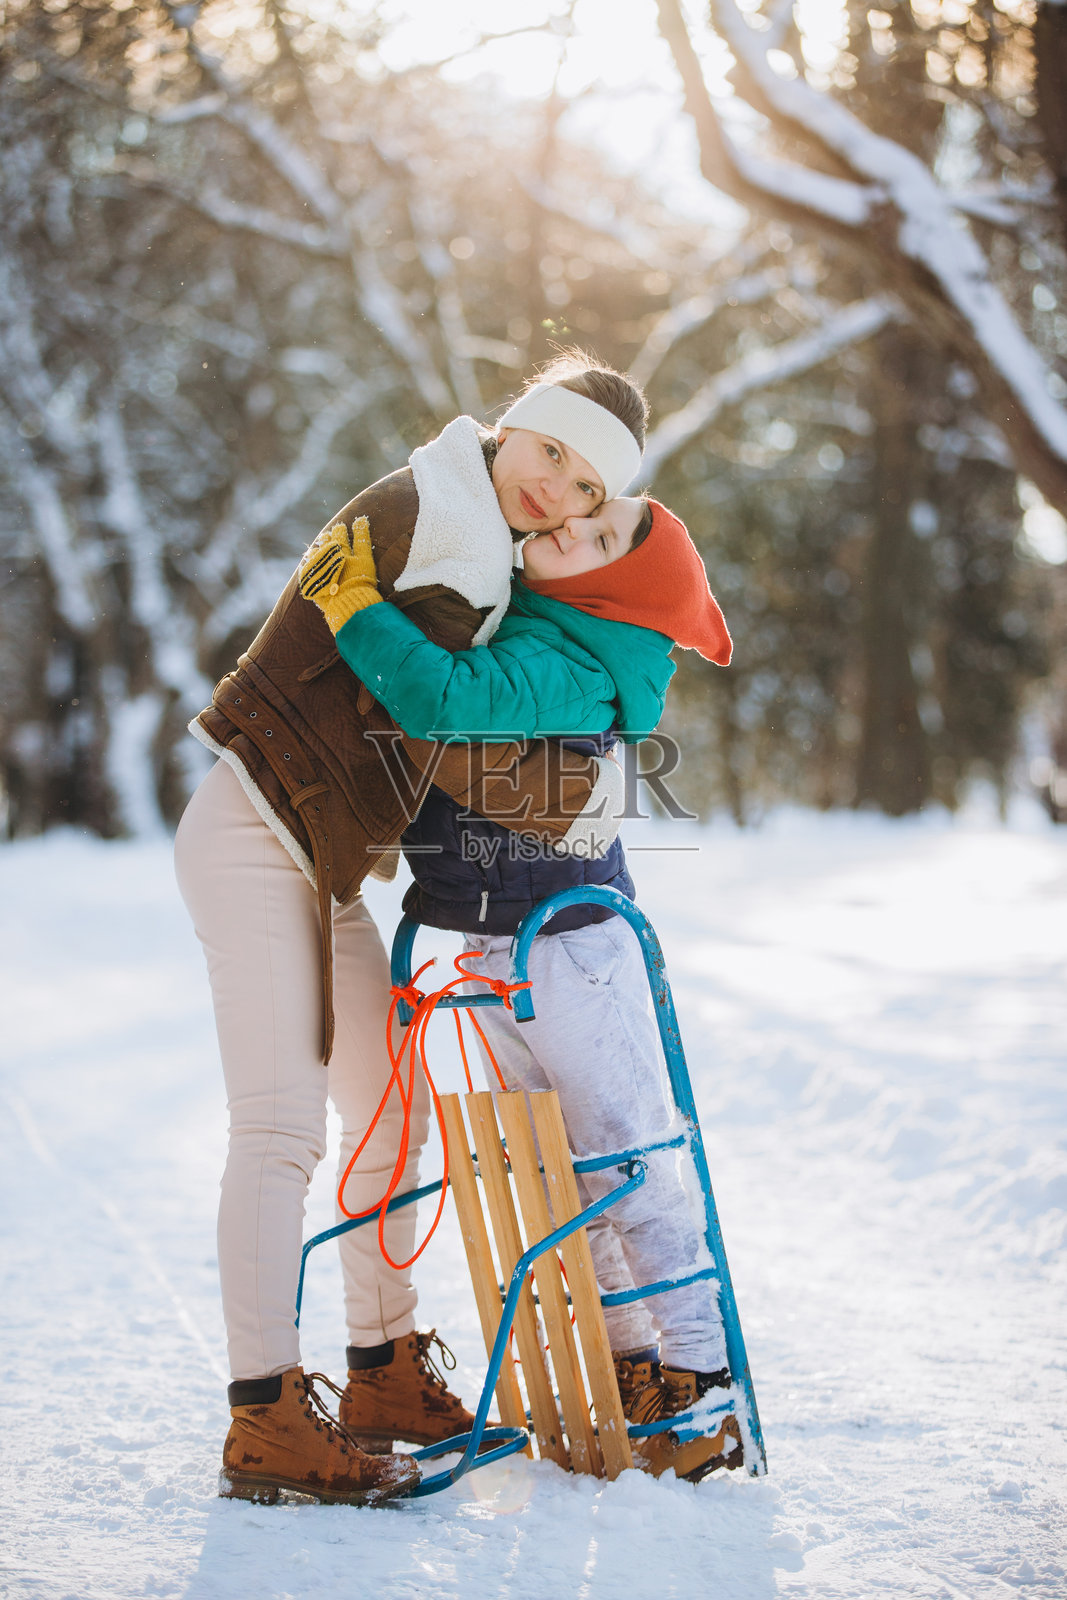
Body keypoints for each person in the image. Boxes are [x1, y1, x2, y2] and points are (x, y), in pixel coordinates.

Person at [173, 352, 649, 1505]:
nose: (557, 492)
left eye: (587, 489)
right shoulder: (439, 521)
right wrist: (577, 799)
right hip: (252, 833)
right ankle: (263, 1418)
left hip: (317, 860)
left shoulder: (478, 537)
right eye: (550, 453)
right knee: (281, 1129)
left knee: (391, 1123)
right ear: (512, 428)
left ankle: (381, 1371)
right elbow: (434, 720)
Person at [301, 468, 743, 1482]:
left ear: (613, 596)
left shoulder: (576, 662)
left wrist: (351, 604)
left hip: (573, 945)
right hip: (494, 945)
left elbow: (439, 699)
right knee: (550, 1172)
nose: (573, 524)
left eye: (601, 536)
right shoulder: (520, 624)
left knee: (621, 1156)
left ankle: (699, 1373)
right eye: (582, 512)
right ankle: (629, 1365)